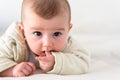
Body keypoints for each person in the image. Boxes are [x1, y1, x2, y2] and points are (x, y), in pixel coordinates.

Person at [0, 0, 90, 77]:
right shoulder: (13, 42)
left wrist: (56, 62)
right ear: (23, 31)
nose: (47, 43)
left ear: (68, 30)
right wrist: (12, 70)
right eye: (37, 33)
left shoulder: (68, 43)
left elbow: (83, 61)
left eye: (57, 34)